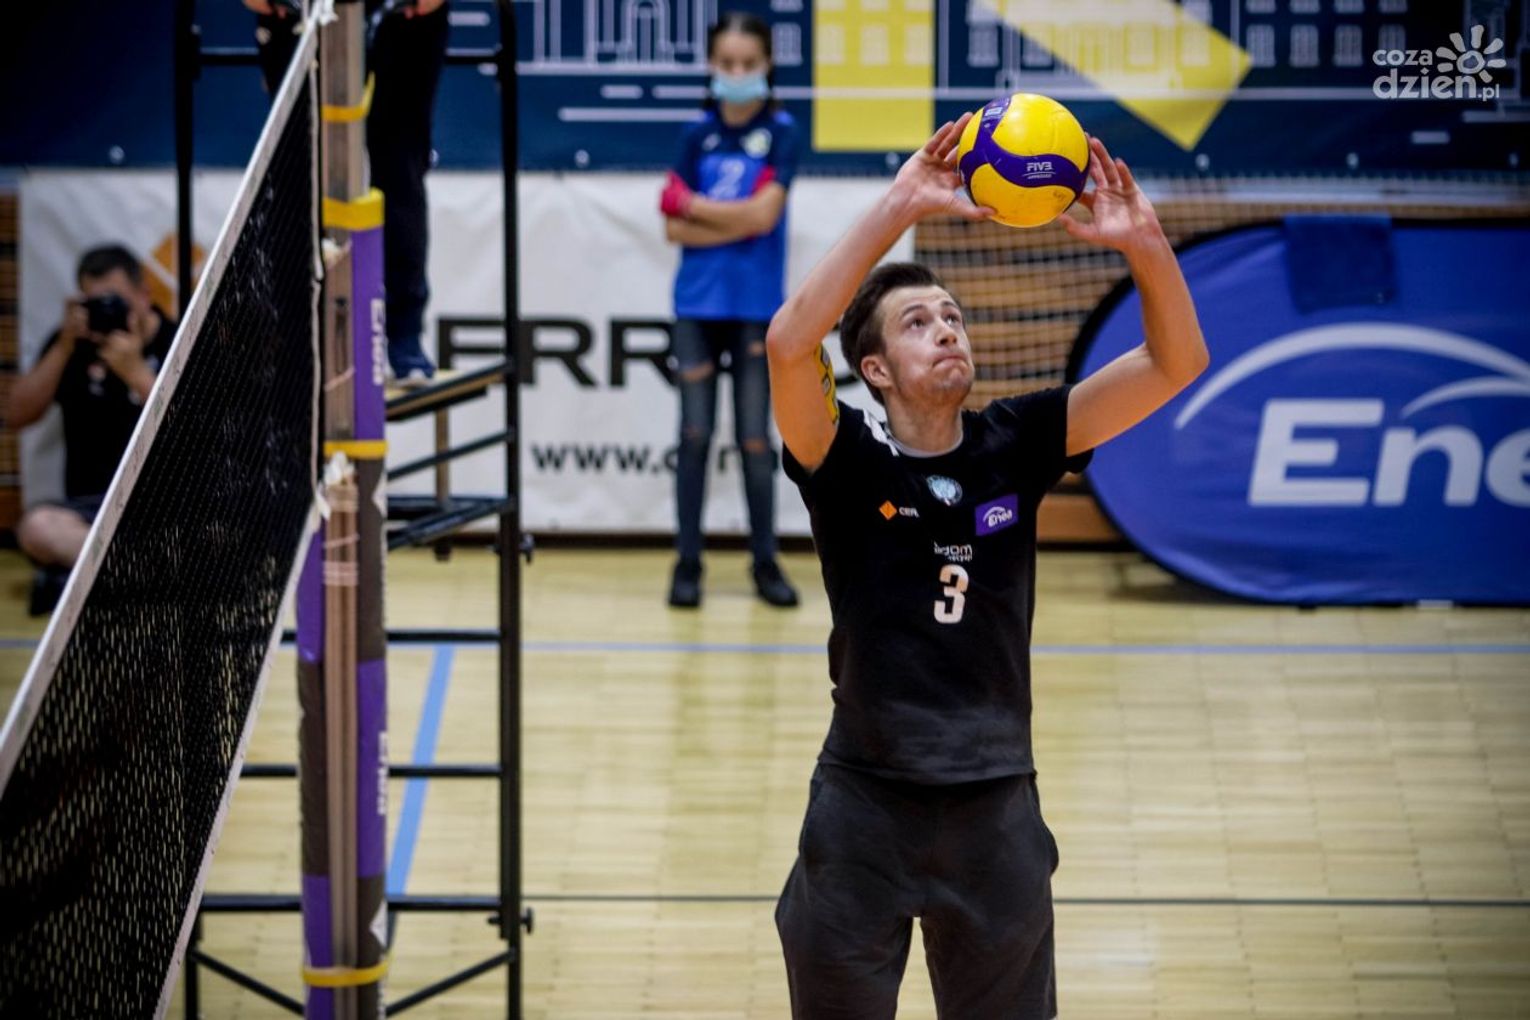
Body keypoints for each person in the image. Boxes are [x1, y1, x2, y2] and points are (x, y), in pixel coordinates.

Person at [766, 120, 1210, 1017]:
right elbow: (786, 343)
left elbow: (1177, 363)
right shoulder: (844, 459)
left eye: (953, 318)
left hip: (995, 803)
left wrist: (1144, 241)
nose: (947, 330)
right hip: (864, 802)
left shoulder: (1019, 439)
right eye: (918, 323)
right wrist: (902, 205)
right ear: (875, 369)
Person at [658, 11, 800, 609]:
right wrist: (735, 220)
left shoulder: (783, 132)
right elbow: (671, 230)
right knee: (693, 435)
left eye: (748, 63)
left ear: (767, 66)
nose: (737, 73)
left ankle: (765, 562)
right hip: (697, 305)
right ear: (711, 66)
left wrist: (693, 206)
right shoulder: (696, 133)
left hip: (756, 309)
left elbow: (764, 216)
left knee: (754, 440)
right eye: (727, 63)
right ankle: (687, 562)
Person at [245, 0, 448, 382]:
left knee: (400, 172)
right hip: (300, 13)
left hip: (404, 18)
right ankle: (296, 344)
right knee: (294, 173)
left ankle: (403, 336)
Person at [7, 245, 175, 613]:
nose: (107, 312)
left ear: (144, 295)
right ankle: (143, 577)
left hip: (167, 507)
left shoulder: (176, 341)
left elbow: (198, 435)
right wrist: (64, 346)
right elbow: (16, 415)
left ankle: (101, 579)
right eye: (95, 302)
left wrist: (137, 375)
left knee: (221, 536)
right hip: (92, 512)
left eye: (116, 301)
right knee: (36, 529)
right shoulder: (73, 345)